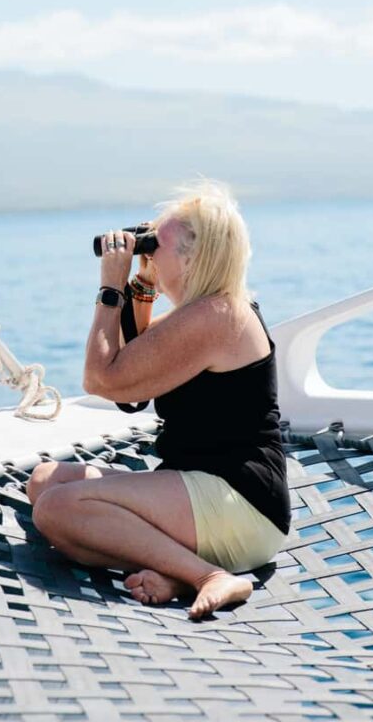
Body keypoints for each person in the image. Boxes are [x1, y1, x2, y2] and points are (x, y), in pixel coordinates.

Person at [26, 180, 292, 619]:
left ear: (193, 257)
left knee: (57, 510)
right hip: (203, 491)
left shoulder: (217, 317)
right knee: (45, 481)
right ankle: (174, 571)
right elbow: (136, 387)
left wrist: (111, 288)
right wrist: (143, 286)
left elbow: (102, 379)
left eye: (156, 247)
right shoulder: (205, 313)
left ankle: (209, 576)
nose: (145, 254)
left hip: (240, 503)